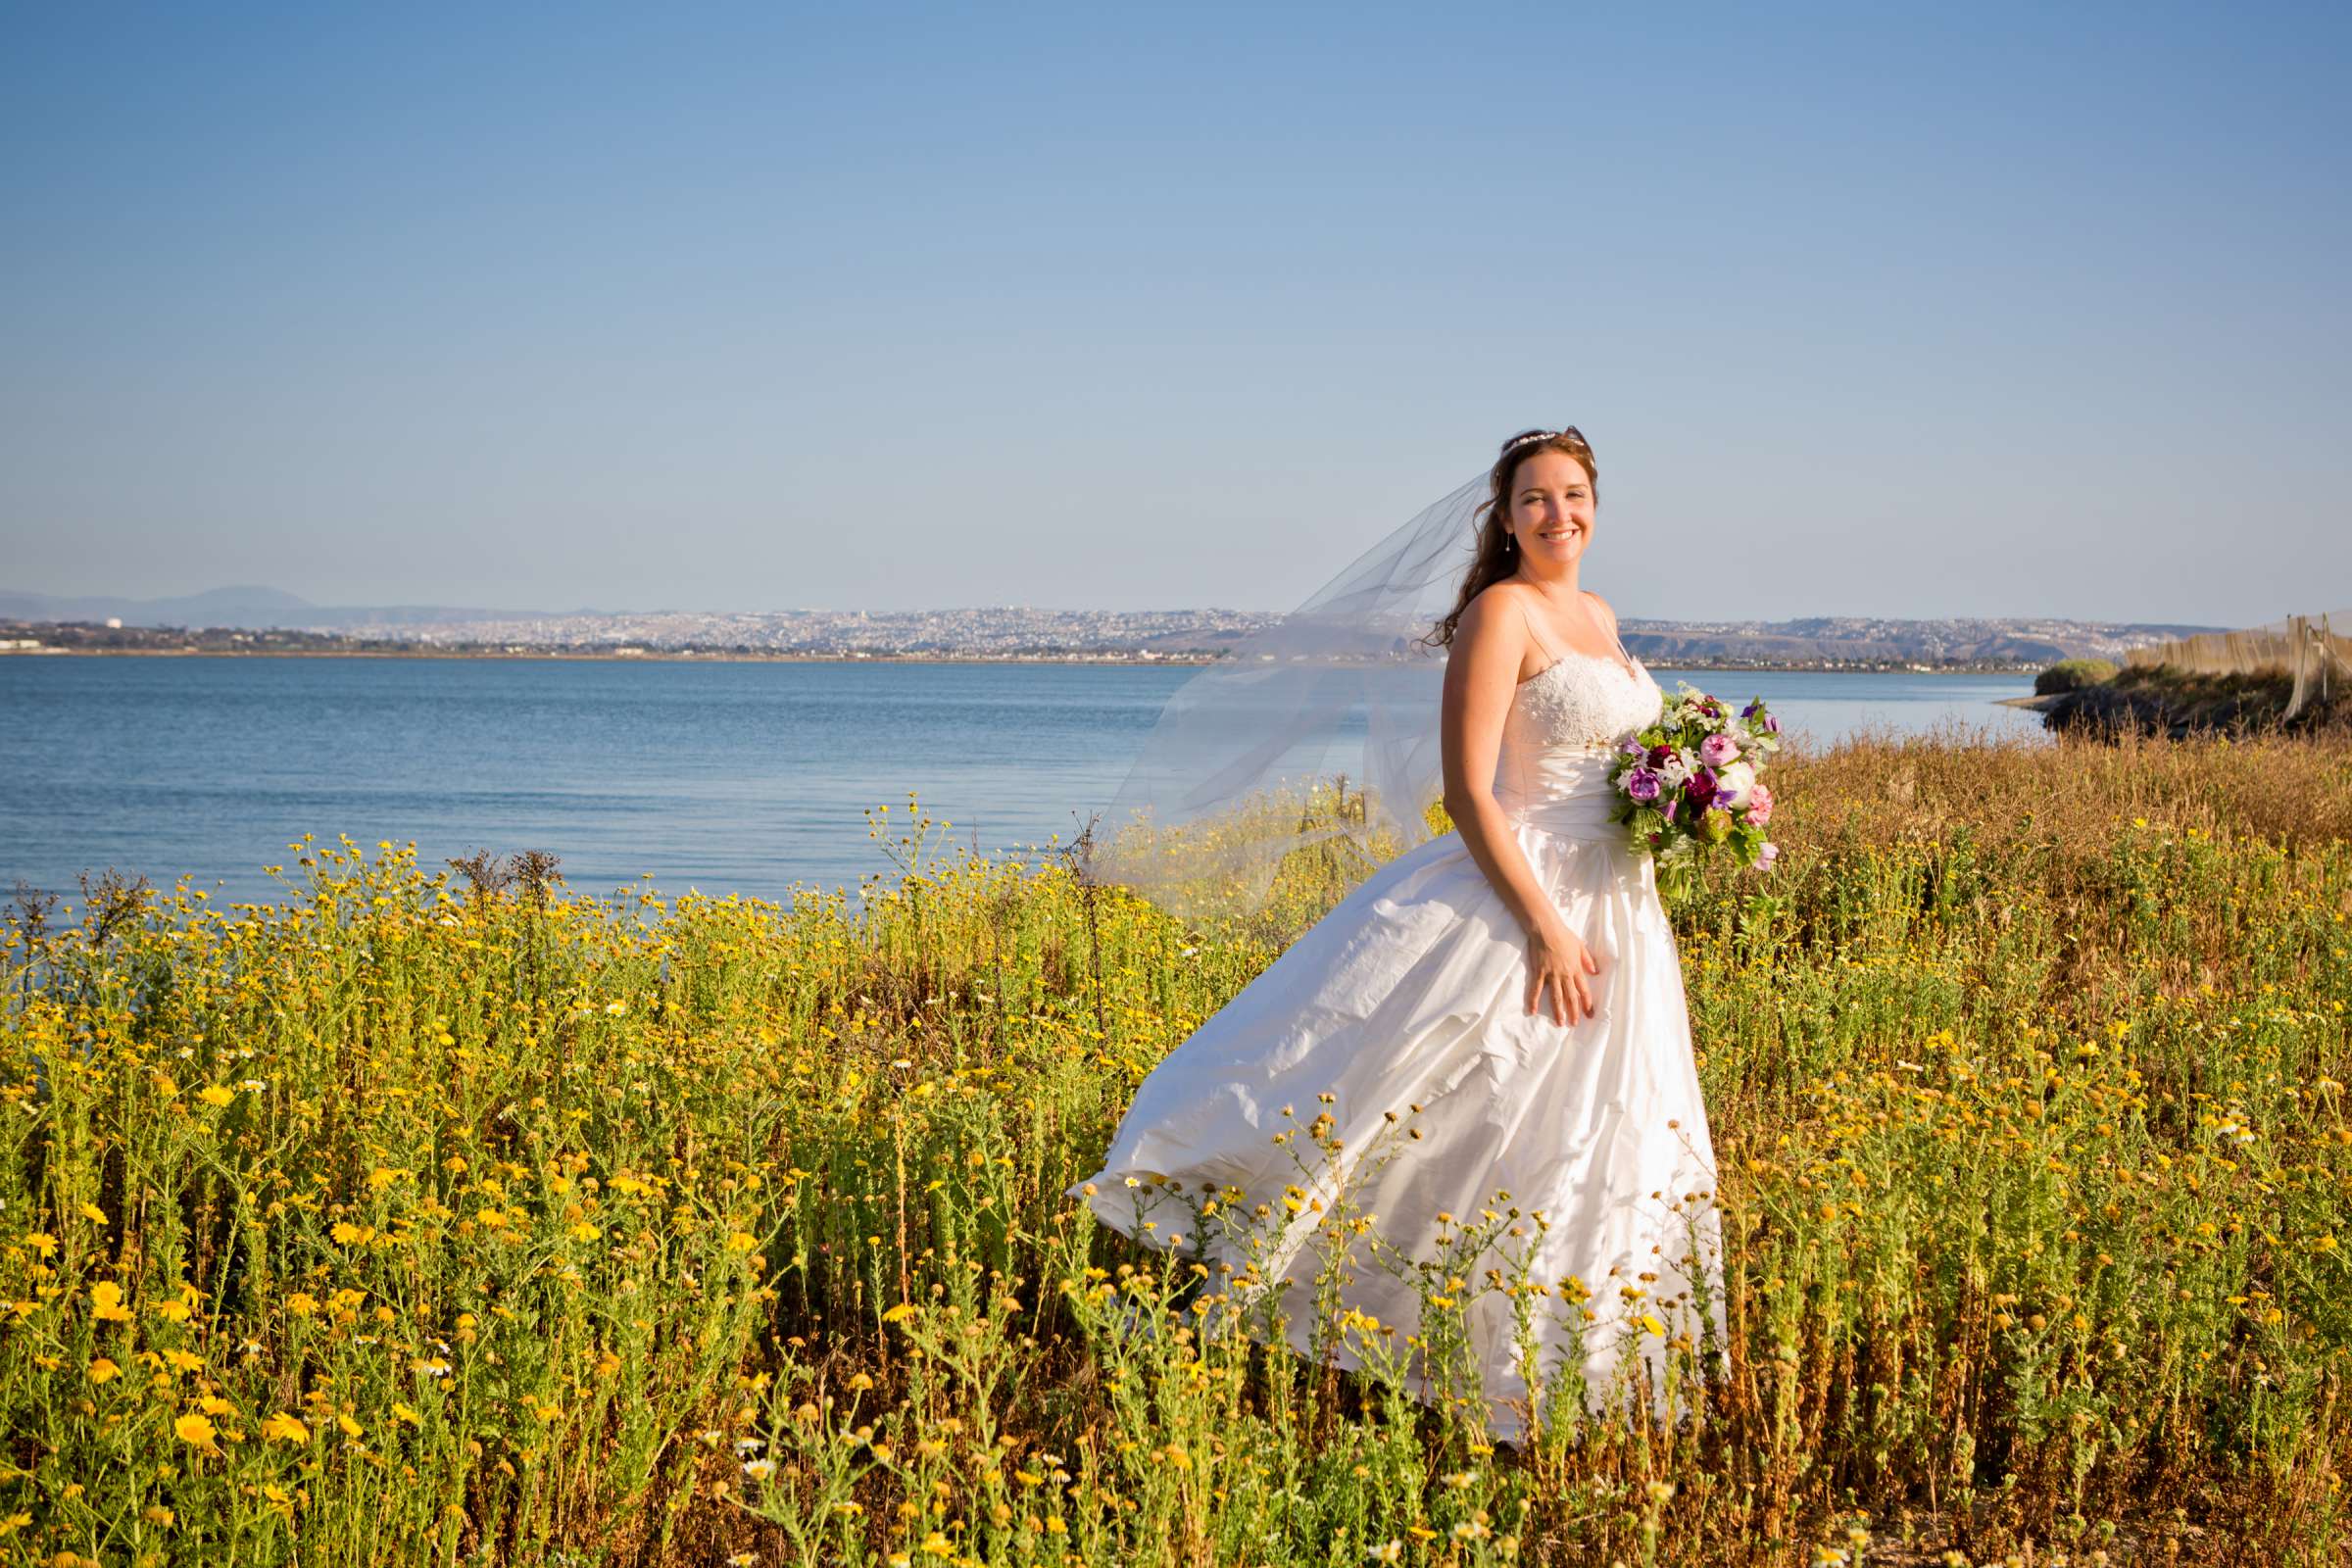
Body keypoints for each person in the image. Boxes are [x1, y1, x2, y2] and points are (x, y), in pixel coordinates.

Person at [1068, 427, 1725, 1446]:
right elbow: (1470, 792)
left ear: (1598, 505)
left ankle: (1572, 1368)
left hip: (1619, 899)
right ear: (1504, 519)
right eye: (1537, 498)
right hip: (1530, 891)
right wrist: (1545, 927)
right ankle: (1388, 1325)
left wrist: (1695, 801)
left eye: (1575, 494)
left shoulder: (1596, 614)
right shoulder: (1498, 614)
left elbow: (1617, 761)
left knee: (1601, 1125)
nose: (1560, 514)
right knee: (1461, 1096)